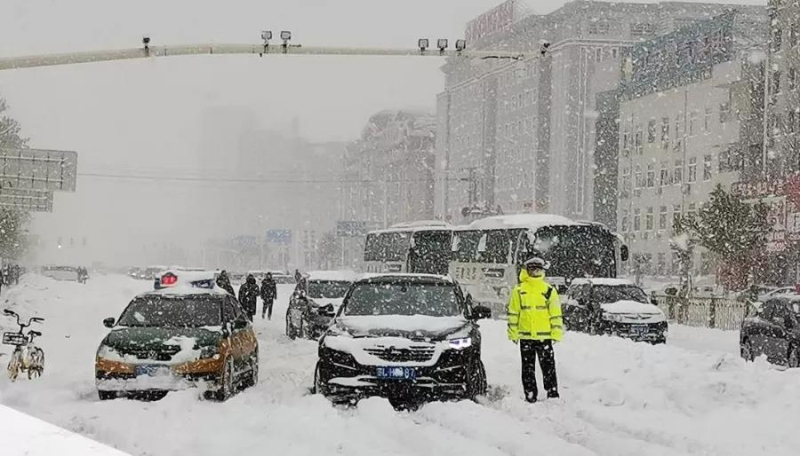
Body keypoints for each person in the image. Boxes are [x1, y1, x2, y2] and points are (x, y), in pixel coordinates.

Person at [507, 256, 563, 403]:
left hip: (544, 336)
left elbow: (555, 313)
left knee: (548, 366)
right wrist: (513, 333)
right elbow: (514, 313)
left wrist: (556, 333)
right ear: (527, 270)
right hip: (526, 336)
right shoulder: (518, 291)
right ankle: (530, 393)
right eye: (532, 268)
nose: (536, 271)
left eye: (538, 268)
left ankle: (552, 392)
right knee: (527, 368)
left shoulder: (549, 290)